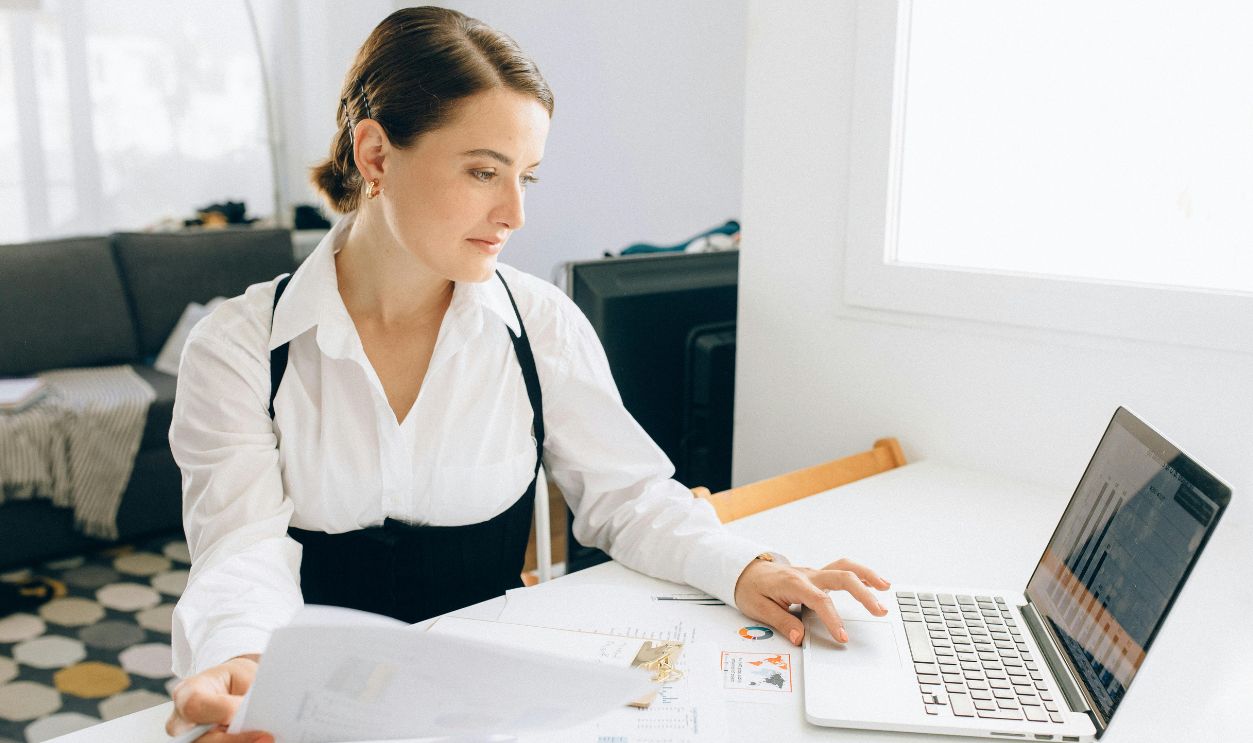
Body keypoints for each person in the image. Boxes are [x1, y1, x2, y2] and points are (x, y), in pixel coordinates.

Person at [165, 7, 890, 741]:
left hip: (490, 709)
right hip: (316, 709)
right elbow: (241, 552)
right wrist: (243, 662)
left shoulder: (540, 324)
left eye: (526, 177)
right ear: (376, 156)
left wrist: (743, 567)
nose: (514, 213)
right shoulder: (238, 347)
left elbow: (629, 497)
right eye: (484, 171)